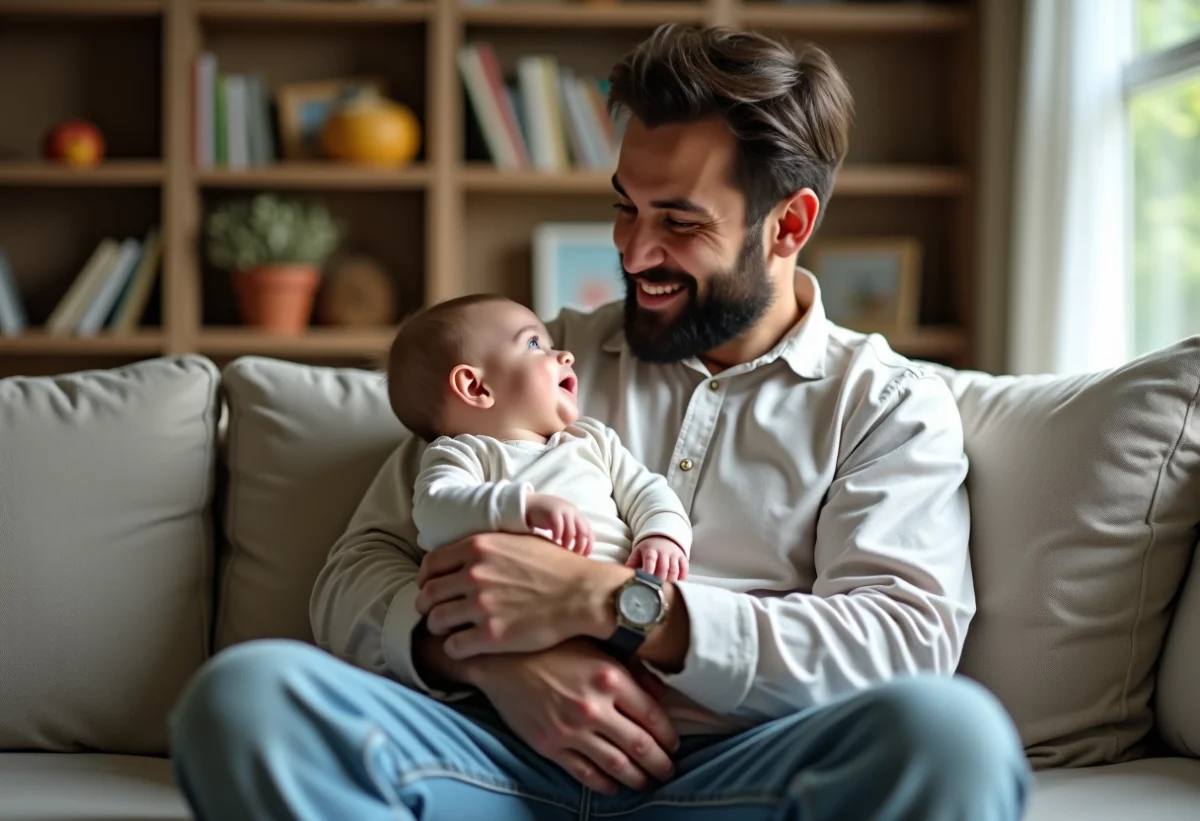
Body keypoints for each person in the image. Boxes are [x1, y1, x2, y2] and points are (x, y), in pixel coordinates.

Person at [168, 23, 1032, 821]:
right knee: (246, 698)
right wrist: (490, 659)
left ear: (789, 224)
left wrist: (620, 604)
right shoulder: (535, 365)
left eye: (679, 221)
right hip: (496, 757)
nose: (632, 250)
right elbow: (353, 577)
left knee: (954, 737)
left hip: (744, 772)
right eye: (625, 205)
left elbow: (902, 642)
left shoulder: (884, 403)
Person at [391, 294, 692, 583]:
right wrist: (521, 507)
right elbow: (433, 511)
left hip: (618, 593)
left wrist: (661, 536)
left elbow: (649, 492)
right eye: (534, 343)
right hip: (515, 604)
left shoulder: (592, 439)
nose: (566, 355)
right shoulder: (465, 454)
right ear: (476, 387)